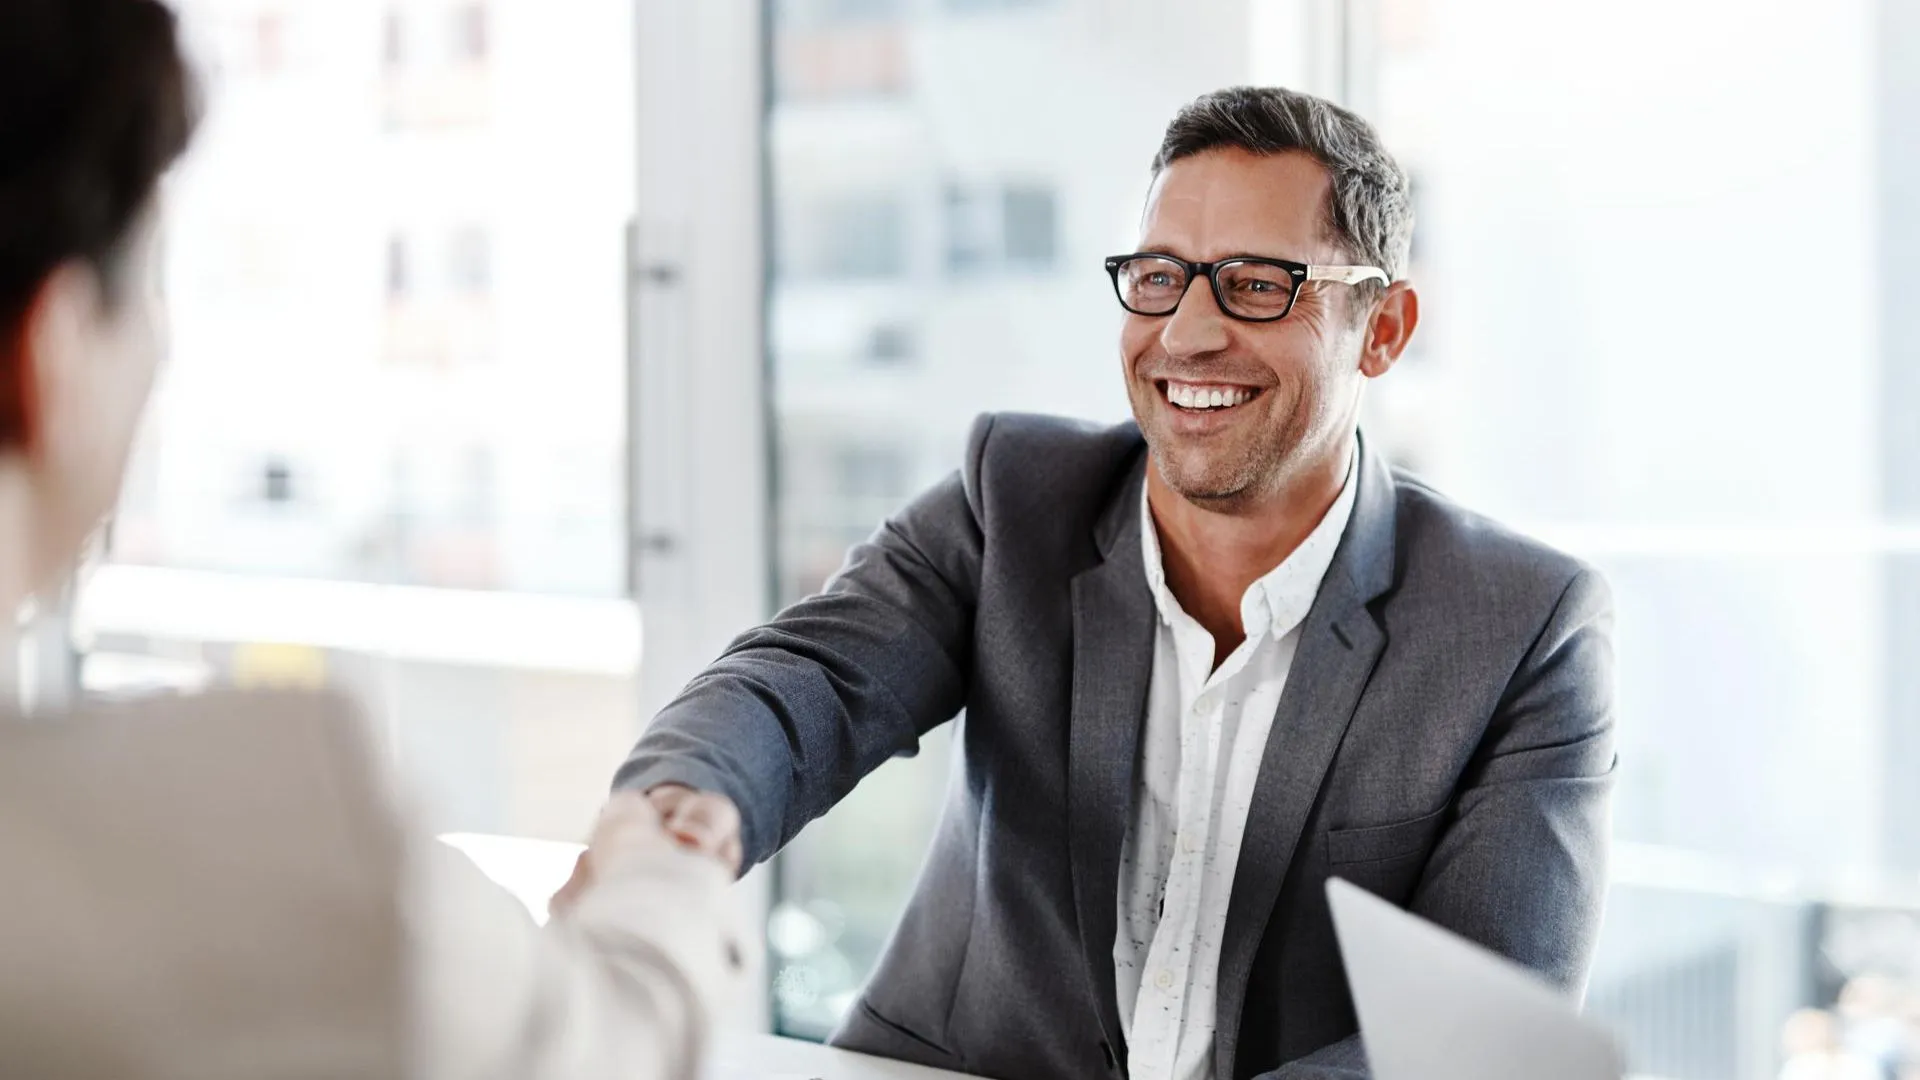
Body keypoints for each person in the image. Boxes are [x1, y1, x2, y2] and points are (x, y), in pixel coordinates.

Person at [612, 85, 1617, 1080]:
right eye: (1158, 276)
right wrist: (675, 819)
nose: (1185, 334)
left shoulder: (1523, 630)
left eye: (1257, 284)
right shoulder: (1012, 499)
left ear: (1385, 327)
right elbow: (805, 685)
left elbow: (1485, 1039)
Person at [0, 1, 745, 1076]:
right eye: (149, 287)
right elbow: (611, 1040)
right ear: (53, 351)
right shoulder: (252, 851)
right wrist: (655, 874)